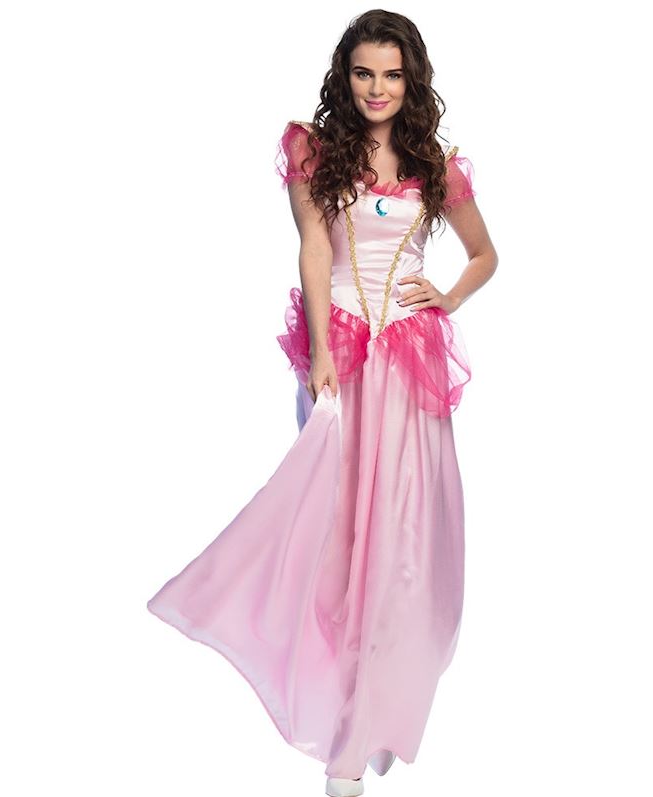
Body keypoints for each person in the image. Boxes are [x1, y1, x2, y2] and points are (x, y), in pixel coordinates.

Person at [147, 10, 498, 797]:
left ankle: (363, 726)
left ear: (412, 81)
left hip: (409, 362)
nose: (377, 89)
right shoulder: (314, 148)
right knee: (337, 547)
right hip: (341, 356)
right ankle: (334, 709)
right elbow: (313, 247)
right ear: (346, 75)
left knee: (400, 549)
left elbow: (486, 254)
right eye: (364, 72)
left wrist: (446, 295)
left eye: (392, 75)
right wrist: (322, 352)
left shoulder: (434, 163)